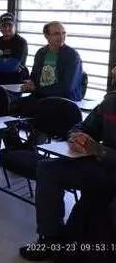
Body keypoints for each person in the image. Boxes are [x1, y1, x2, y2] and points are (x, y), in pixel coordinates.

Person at [19, 65, 116, 262]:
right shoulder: (111, 101)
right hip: (102, 168)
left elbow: (98, 149)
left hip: (109, 165)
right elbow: (84, 126)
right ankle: (50, 238)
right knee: (47, 169)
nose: (114, 72)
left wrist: (98, 150)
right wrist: (76, 136)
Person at [22, 21, 83, 101]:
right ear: (46, 36)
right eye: (57, 34)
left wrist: (36, 88)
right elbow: (34, 76)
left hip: (64, 100)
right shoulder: (41, 53)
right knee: (14, 105)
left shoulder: (72, 56)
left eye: (63, 33)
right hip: (41, 96)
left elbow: (66, 87)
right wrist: (29, 83)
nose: (61, 37)